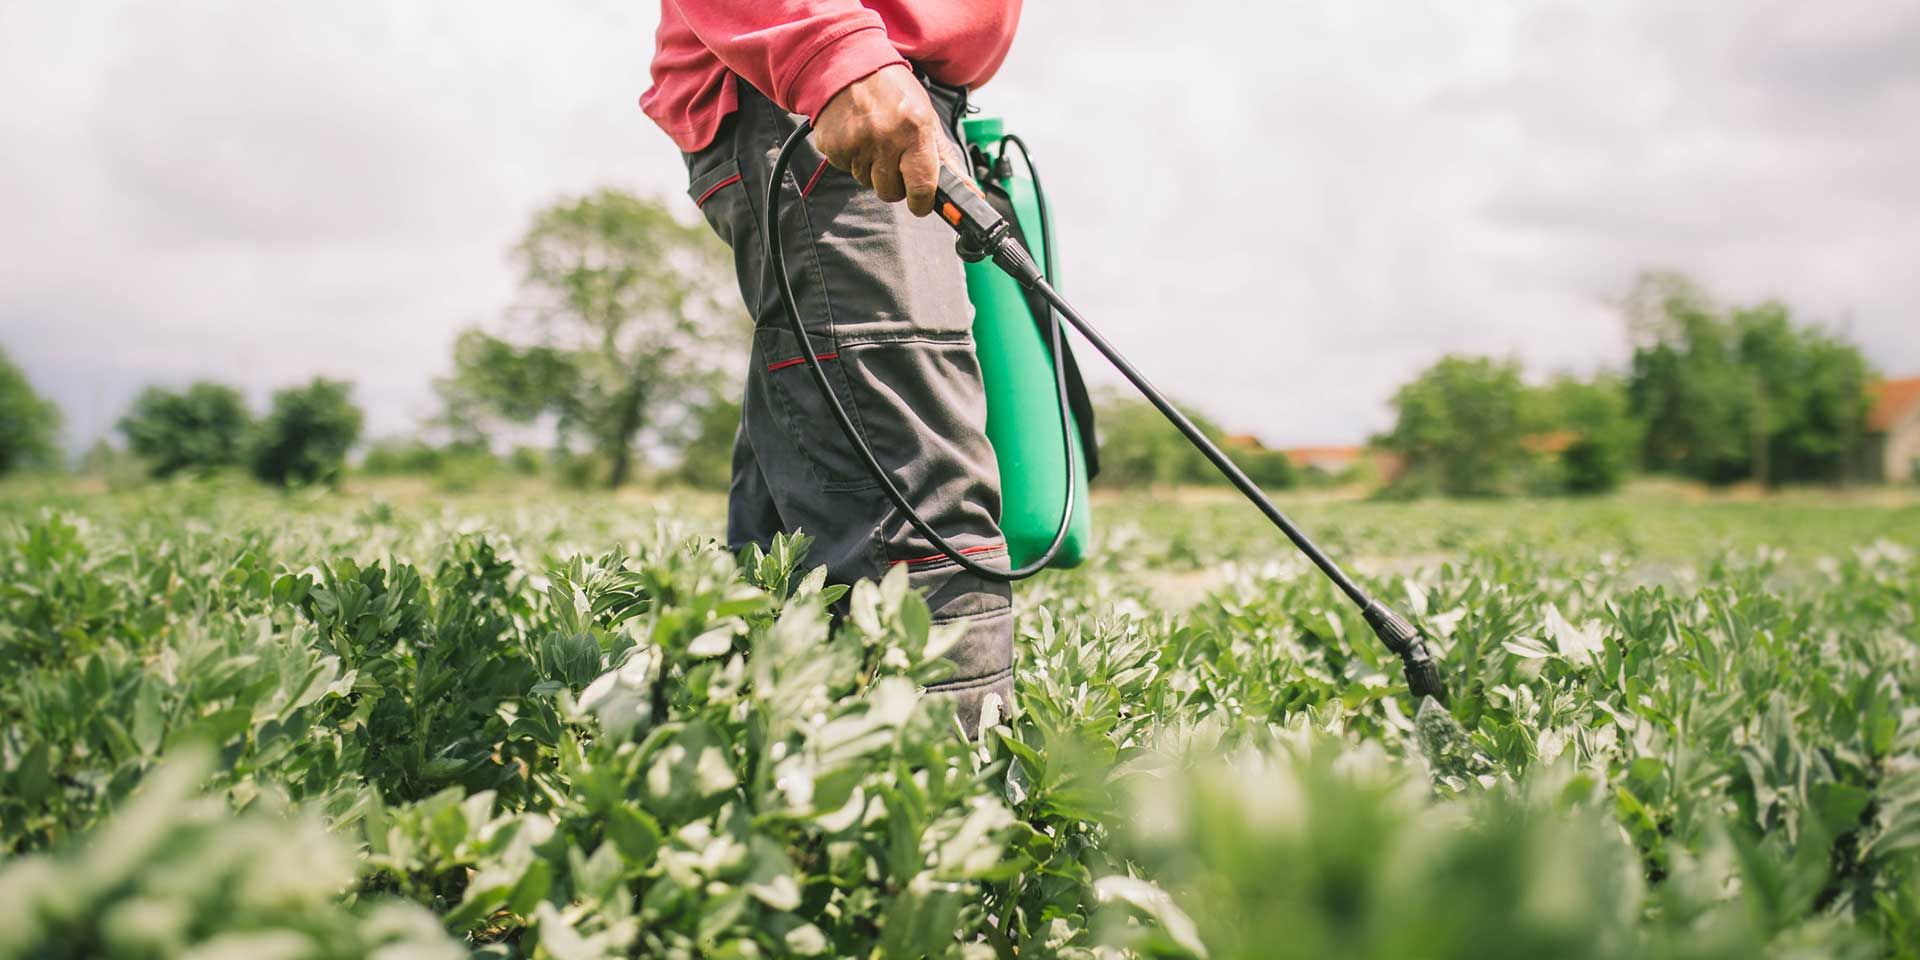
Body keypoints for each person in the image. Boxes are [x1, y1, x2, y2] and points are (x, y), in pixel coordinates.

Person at [641, 3, 1025, 732]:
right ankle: (958, 821)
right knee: (919, 519)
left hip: (882, 88)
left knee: (791, 528)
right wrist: (834, 50)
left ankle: (765, 798)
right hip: (833, 89)